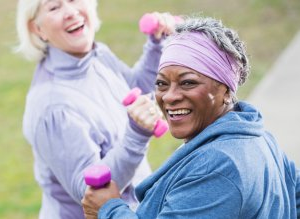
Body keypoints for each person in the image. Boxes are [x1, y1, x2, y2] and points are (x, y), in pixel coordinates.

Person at [82, 16, 300, 219]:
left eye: (188, 82)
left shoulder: (217, 167)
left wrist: (108, 209)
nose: (169, 97)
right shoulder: (258, 136)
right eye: (161, 84)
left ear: (225, 90)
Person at [15, 0, 177, 218]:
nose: (70, 12)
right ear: (38, 29)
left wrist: (157, 45)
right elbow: (91, 193)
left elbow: (135, 89)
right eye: (54, 7)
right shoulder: (53, 107)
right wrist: (137, 135)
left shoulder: (96, 55)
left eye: (73, 0)